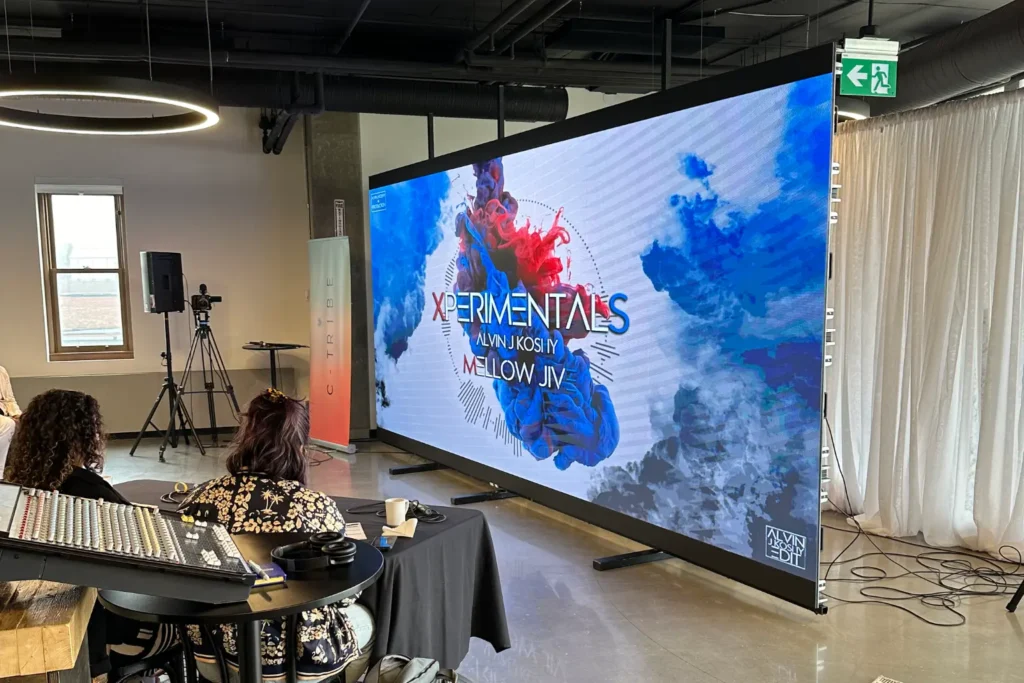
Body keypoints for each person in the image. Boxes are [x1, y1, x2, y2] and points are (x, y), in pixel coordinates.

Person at [178, 389, 374, 683]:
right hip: (300, 661)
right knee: (367, 620)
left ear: (245, 436)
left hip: (212, 654)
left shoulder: (199, 498)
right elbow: (344, 591)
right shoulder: (318, 507)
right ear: (300, 446)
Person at [3, 389, 178, 677]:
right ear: (83, 435)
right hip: (127, 628)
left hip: (101, 620)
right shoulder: (88, 492)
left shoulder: (24, 484)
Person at [0, 365, 21, 474]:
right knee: (8, 424)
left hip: (3, 413)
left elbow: (9, 400)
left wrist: (17, 414)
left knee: (28, 425)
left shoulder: (1, 371)